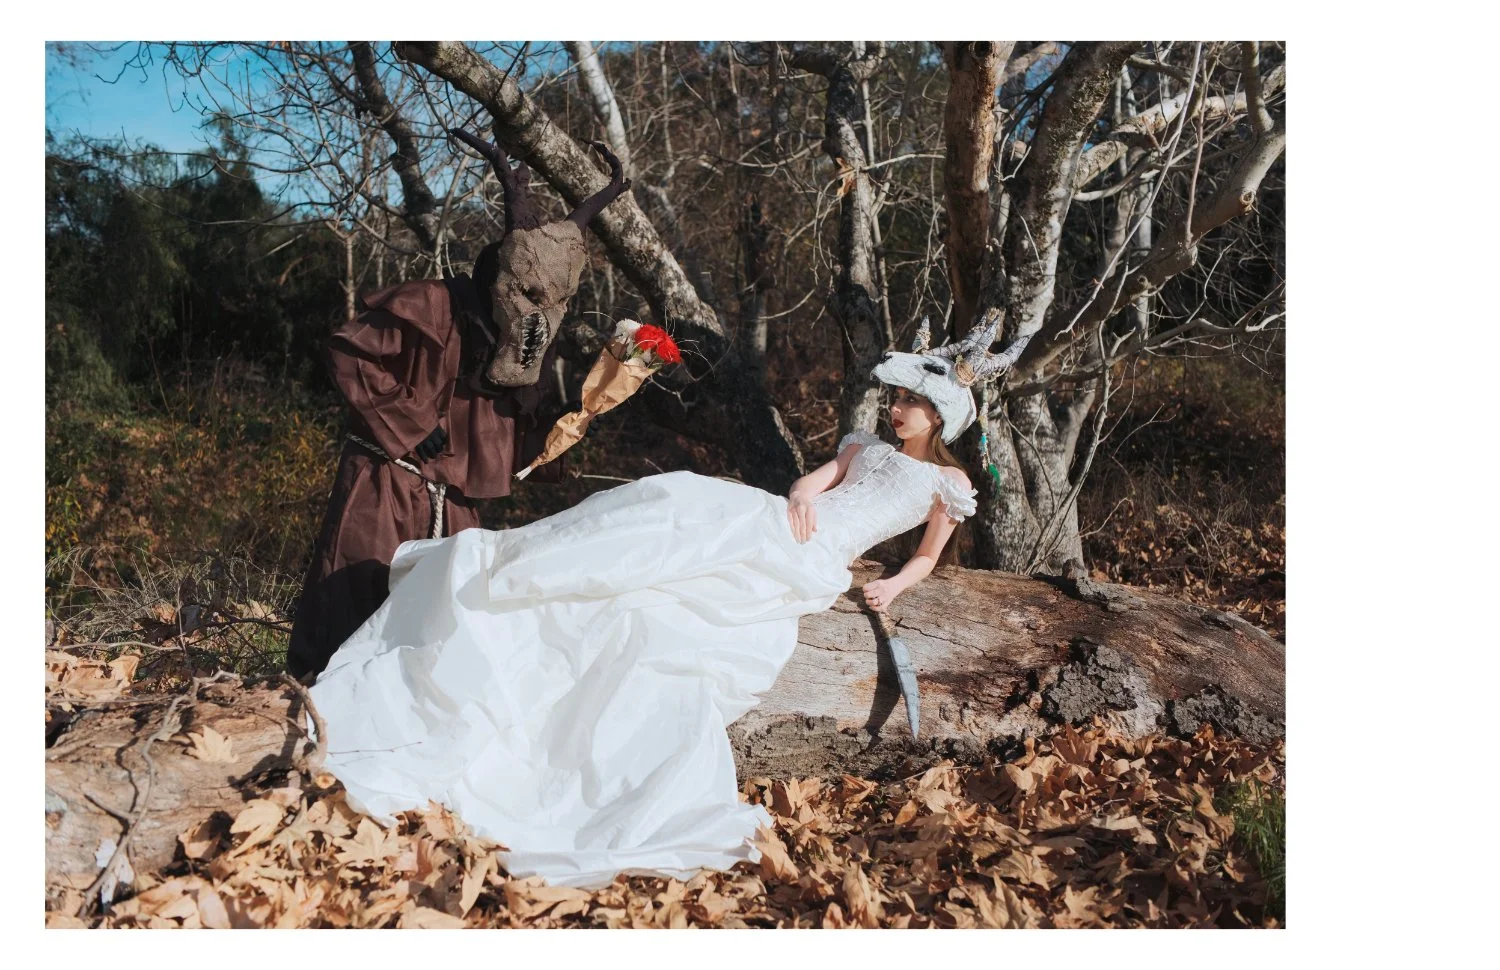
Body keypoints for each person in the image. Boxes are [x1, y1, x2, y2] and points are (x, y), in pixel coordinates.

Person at [307, 315, 1014, 889]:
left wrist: (892, 585)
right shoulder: (863, 447)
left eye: (909, 403)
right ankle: (517, 568)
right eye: (896, 398)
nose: (895, 409)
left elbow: (927, 555)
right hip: (781, 522)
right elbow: (814, 482)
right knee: (665, 507)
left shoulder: (947, 487)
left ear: (938, 416)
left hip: (813, 562)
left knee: (665, 619)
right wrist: (802, 494)